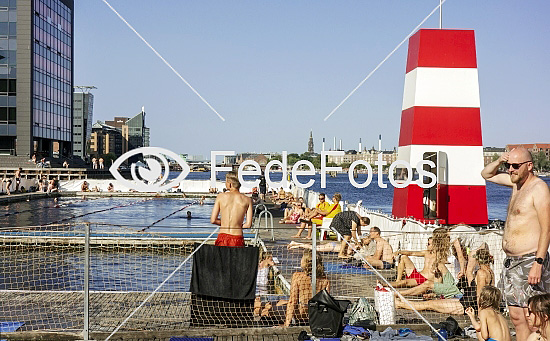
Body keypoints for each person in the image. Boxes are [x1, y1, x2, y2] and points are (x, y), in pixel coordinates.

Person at [481, 147, 550, 341]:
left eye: (515, 166)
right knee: (517, 317)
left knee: (534, 318)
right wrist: (500, 160)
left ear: (529, 166)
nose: (510, 169)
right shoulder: (515, 184)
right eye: (508, 165)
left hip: (530, 260)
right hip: (512, 263)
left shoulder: (539, 189)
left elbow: (547, 229)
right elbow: (486, 174)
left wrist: (538, 263)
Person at [284, 250, 330, 326]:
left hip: (301, 315)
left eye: (302, 258)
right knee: (282, 302)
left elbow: (293, 301)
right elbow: (326, 302)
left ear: (306, 262)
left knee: (270, 308)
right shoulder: (325, 280)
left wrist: (287, 323)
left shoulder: (297, 276)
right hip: (316, 316)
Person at [210, 171, 253, 247]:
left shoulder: (220, 197)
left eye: (226, 181)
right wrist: (236, 225)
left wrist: (224, 223)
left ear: (230, 183)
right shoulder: (247, 200)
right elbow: (248, 224)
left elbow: (213, 220)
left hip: (223, 236)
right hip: (237, 236)